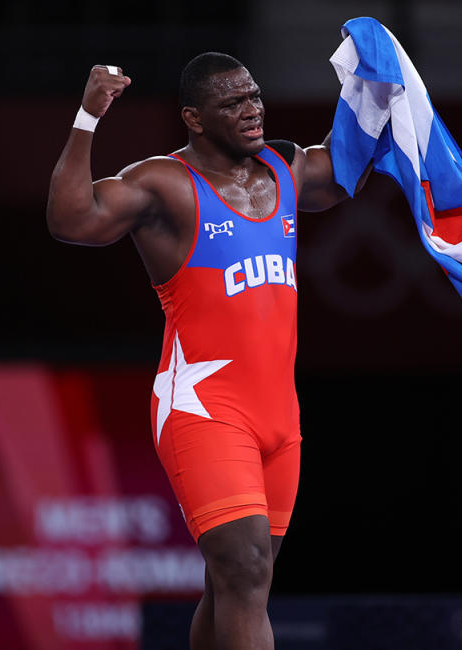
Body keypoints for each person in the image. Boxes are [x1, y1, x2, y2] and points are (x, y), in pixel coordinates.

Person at [46, 53, 369, 650]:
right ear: (194, 118)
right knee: (244, 572)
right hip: (203, 407)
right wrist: (88, 118)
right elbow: (72, 219)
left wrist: (371, 86)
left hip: (279, 418)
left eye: (254, 97)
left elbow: (347, 169)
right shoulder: (164, 184)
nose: (252, 112)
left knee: (236, 585)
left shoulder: (282, 167)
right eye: (233, 104)